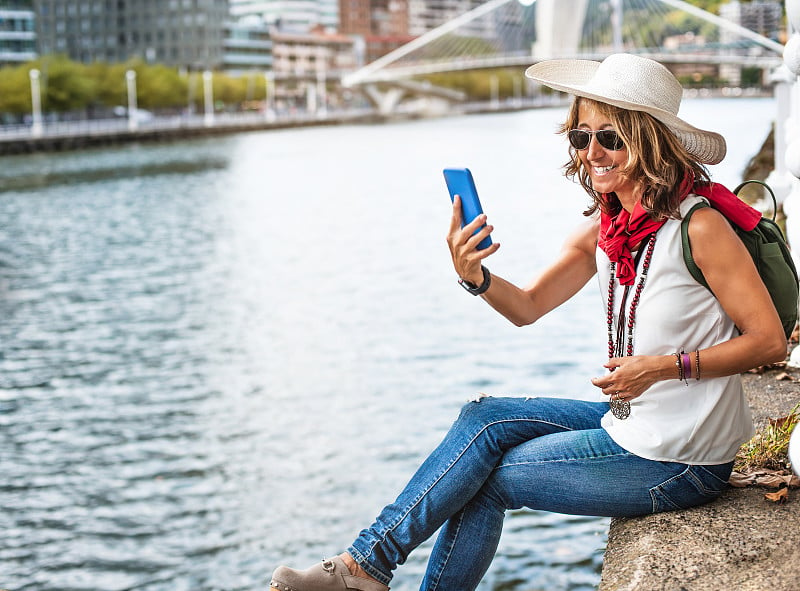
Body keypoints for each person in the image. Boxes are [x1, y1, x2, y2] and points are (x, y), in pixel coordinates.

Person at [268, 53, 788, 591]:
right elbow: (529, 306)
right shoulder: (607, 230)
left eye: (609, 137)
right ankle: (362, 566)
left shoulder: (700, 227)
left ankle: (367, 571)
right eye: (581, 138)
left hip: (683, 460)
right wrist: (476, 276)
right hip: (638, 427)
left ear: (649, 139)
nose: (593, 153)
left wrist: (661, 368)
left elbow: (769, 340)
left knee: (487, 481)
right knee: (484, 419)